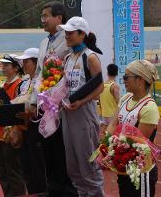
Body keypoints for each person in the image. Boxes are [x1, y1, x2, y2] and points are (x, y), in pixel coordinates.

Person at [30, 1, 78, 197]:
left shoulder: (68, 41)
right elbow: (39, 73)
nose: (43, 20)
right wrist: (34, 100)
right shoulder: (43, 43)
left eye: (46, 16)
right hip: (44, 104)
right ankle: (54, 187)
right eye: (41, 16)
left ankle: (68, 188)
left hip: (63, 104)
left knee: (63, 148)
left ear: (59, 18)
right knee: (47, 147)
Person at [57, 17, 105, 196]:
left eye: (70, 33)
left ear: (82, 34)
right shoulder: (68, 57)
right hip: (68, 112)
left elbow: (100, 86)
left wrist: (82, 101)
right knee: (73, 167)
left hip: (84, 113)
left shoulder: (90, 57)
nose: (67, 36)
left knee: (88, 165)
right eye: (66, 33)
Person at [107, 60, 160, 197]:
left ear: (140, 80)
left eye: (126, 77)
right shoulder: (126, 98)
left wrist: (112, 148)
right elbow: (113, 123)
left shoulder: (149, 108)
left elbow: (138, 141)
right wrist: (106, 143)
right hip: (124, 165)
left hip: (141, 170)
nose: (123, 80)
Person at [0, 54, 26, 197]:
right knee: (2, 173)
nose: (3, 68)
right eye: (2, 65)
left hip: (11, 136)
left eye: (6, 65)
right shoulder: (3, 86)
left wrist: (1, 116)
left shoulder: (20, 86)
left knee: (14, 173)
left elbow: (19, 113)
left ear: (16, 68)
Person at [15, 48, 47, 195]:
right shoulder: (24, 82)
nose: (23, 64)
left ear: (36, 62)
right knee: (26, 164)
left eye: (26, 61)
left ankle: (41, 192)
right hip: (23, 127)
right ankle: (32, 191)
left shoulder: (43, 81)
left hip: (37, 126)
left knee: (38, 164)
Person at [99, 64, 120, 135]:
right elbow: (119, 102)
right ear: (117, 73)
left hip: (104, 114)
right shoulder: (115, 86)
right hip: (113, 115)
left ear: (107, 73)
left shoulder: (102, 85)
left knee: (103, 135)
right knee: (113, 137)